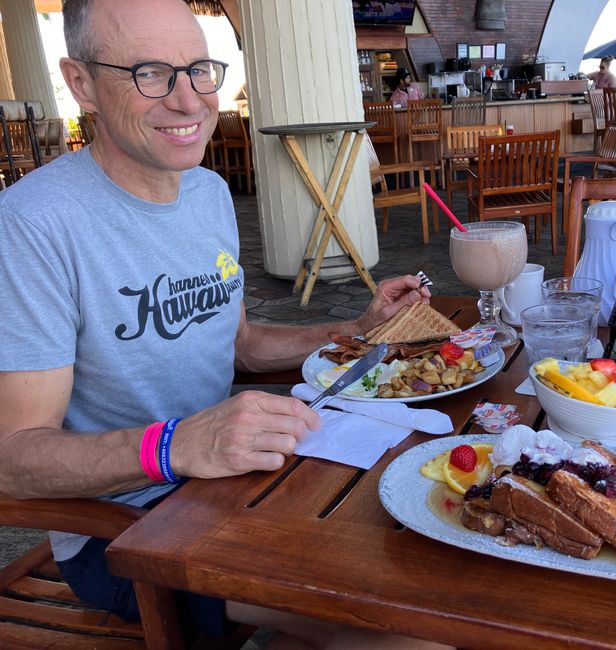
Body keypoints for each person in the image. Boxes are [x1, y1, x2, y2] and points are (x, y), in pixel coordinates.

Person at [0, 1, 446, 648]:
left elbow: (237, 345)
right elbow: (12, 459)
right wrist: (174, 445)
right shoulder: (34, 224)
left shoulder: (207, 191)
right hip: (124, 533)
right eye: (149, 73)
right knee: (410, 626)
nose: (188, 101)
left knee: (436, 542)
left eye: (199, 70)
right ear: (80, 83)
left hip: (239, 487)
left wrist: (356, 324)